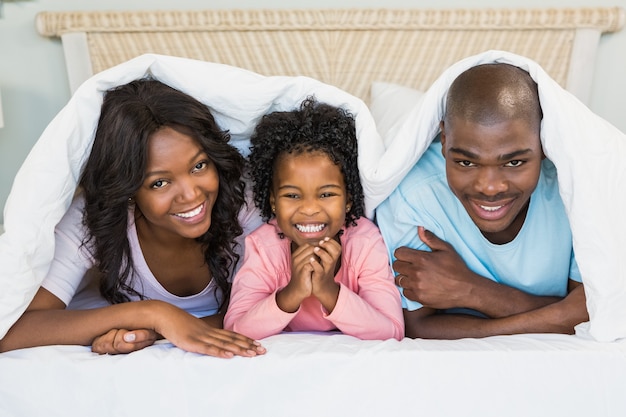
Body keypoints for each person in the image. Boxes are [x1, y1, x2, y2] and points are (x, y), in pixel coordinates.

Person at [0, 79, 266, 357]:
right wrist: (152, 314)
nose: (191, 195)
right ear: (127, 190)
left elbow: (282, 299)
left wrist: (160, 332)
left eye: (199, 166)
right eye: (159, 183)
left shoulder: (244, 198)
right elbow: (11, 331)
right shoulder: (91, 217)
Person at [375, 63, 589, 339]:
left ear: (544, 142)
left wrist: (472, 290)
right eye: (466, 161)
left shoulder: (575, 191)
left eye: (514, 162)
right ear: (443, 139)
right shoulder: (412, 196)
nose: (489, 188)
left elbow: (594, 309)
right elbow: (418, 325)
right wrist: (558, 316)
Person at [223, 98, 404, 340]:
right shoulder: (263, 247)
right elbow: (235, 329)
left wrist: (328, 291)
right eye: (292, 195)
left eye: (326, 194)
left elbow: (392, 331)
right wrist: (292, 293)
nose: (309, 209)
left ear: (349, 200)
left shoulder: (365, 242)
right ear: (273, 202)